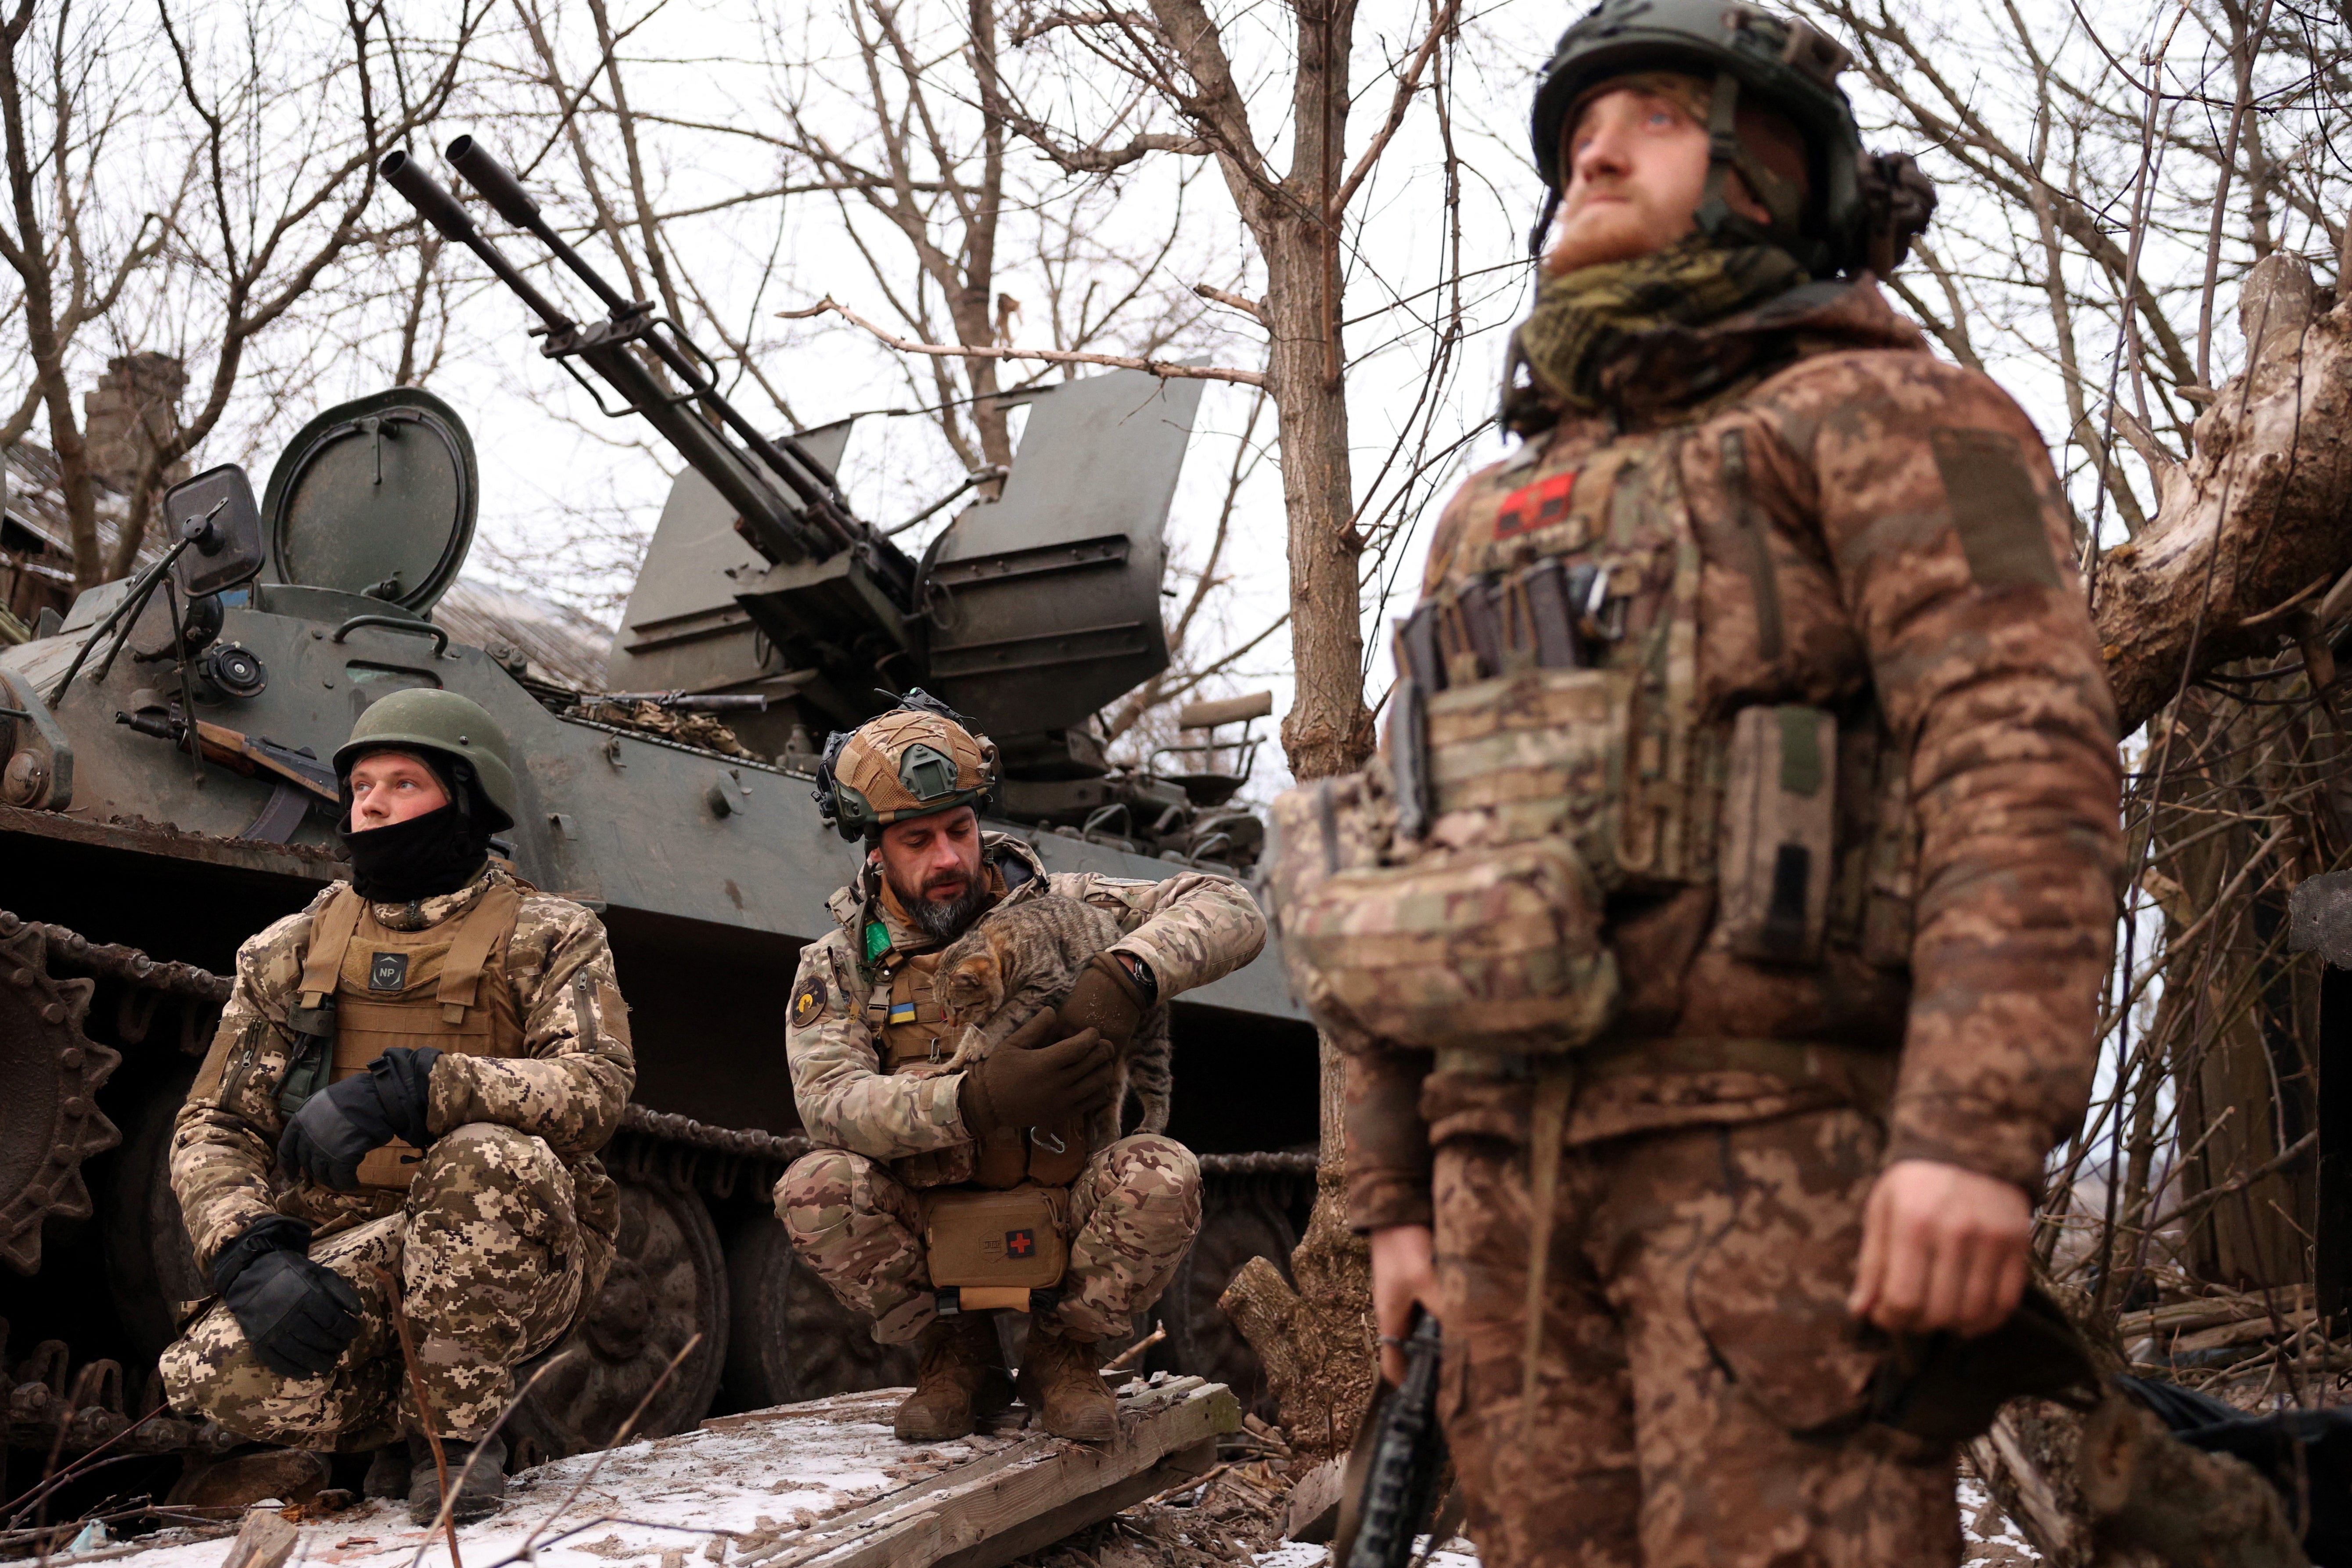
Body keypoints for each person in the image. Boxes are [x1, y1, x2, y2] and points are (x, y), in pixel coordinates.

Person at [1284, 1, 2124, 1563]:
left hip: (1779, 1165)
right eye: (1576, 130)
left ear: (1773, 172)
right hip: (1500, 1217)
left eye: (1654, 118)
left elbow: (2019, 762)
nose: (1589, 150)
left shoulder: (1893, 418)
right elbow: (1394, 865)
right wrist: (1388, 1199)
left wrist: (1966, 1135)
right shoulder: (1489, 512)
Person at [162, 689, 635, 1526]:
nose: (371, 804)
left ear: (465, 800)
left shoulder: (550, 934)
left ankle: (457, 1442)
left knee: (488, 1156)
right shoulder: (290, 948)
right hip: (362, 1240)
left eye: (403, 783)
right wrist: (249, 1250)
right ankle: (404, 1414)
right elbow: (215, 1125)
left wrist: (418, 1088)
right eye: (360, 786)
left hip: (521, 1246)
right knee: (211, 1369)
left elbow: (594, 1088)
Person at [774, 693, 1266, 1442]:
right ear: (874, 849)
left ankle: (1061, 1356)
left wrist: (1128, 971)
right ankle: (953, 1357)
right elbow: (829, 1105)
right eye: (917, 841)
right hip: (926, 1211)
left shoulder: (1066, 905)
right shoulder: (841, 964)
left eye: (959, 831)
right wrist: (969, 1103)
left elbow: (1230, 908)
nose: (947, 859)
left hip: (1065, 1195)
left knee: (1161, 1171)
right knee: (815, 1187)